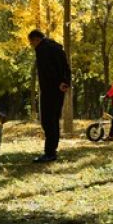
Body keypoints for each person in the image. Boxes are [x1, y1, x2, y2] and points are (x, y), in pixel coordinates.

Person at [28, 30, 71, 163]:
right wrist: (65, 82)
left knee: (48, 120)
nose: (32, 46)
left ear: (36, 39)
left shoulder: (43, 49)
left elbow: (48, 70)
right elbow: (65, 67)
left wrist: (58, 82)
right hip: (58, 88)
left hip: (50, 89)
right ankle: (52, 150)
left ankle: (50, 153)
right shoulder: (56, 47)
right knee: (53, 120)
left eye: (31, 43)